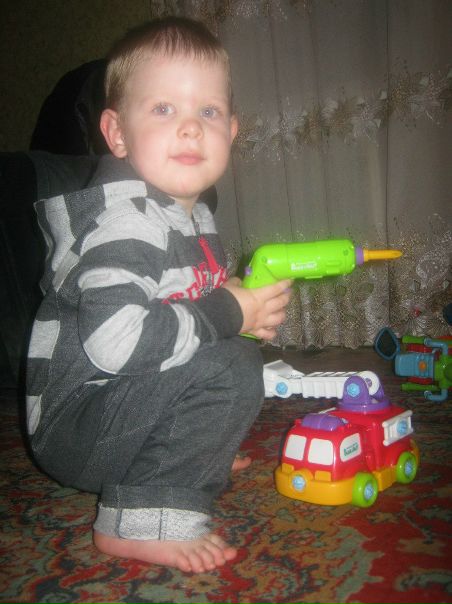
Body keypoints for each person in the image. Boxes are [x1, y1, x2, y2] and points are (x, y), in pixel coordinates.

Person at [26, 16, 292, 574]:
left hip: (121, 410)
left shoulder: (190, 217)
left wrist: (240, 309)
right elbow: (117, 343)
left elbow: (189, 314)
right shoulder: (126, 223)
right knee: (229, 364)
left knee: (233, 356)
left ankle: (182, 453)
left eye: (208, 112)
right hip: (76, 426)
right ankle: (139, 520)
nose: (191, 128)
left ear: (232, 131)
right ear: (117, 133)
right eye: (164, 108)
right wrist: (226, 312)